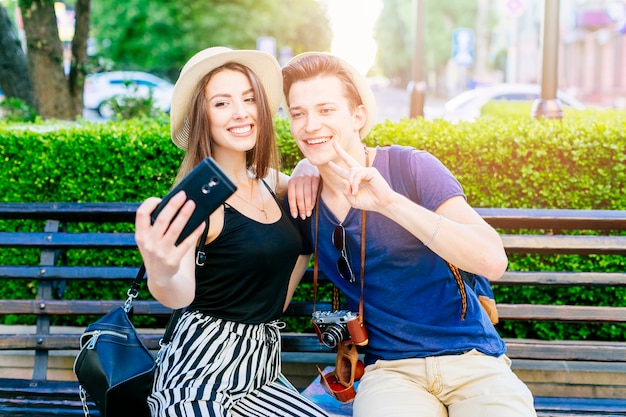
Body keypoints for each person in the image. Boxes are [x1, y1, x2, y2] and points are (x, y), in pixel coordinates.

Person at [282, 52, 537, 417]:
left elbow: (493, 260)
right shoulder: (304, 200)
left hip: (473, 361)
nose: (310, 125)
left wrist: (389, 203)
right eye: (297, 113)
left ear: (357, 116)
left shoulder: (411, 168)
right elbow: (273, 300)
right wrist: (301, 169)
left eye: (325, 110)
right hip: (391, 372)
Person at [134, 46, 328, 417]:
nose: (241, 113)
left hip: (262, 373)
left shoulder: (272, 183)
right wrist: (161, 270)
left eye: (249, 99)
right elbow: (178, 292)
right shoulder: (198, 204)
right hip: (198, 373)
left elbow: (315, 179)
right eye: (222, 103)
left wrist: (307, 166)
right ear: (202, 116)